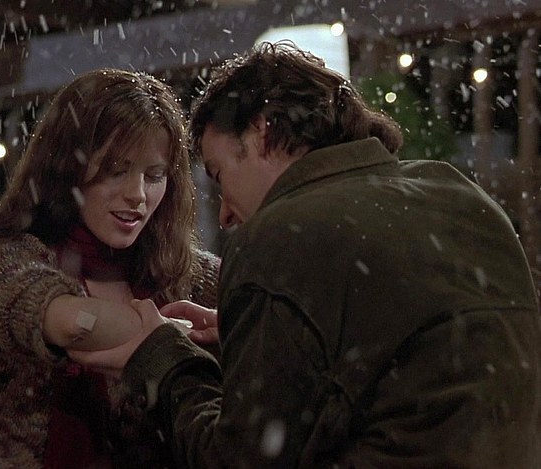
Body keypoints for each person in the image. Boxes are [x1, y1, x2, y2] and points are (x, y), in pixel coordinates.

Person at [70, 41, 541, 468]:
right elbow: (407, 357)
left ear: (261, 132)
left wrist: (164, 360)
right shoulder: (457, 194)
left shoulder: (282, 235)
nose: (227, 214)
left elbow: (236, 460)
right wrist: (249, 330)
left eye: (219, 175)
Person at [0, 68, 220, 468]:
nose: (137, 195)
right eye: (115, 170)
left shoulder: (183, 269)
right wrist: (172, 338)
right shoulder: (2, 257)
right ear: (67, 167)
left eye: (154, 176)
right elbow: (70, 322)